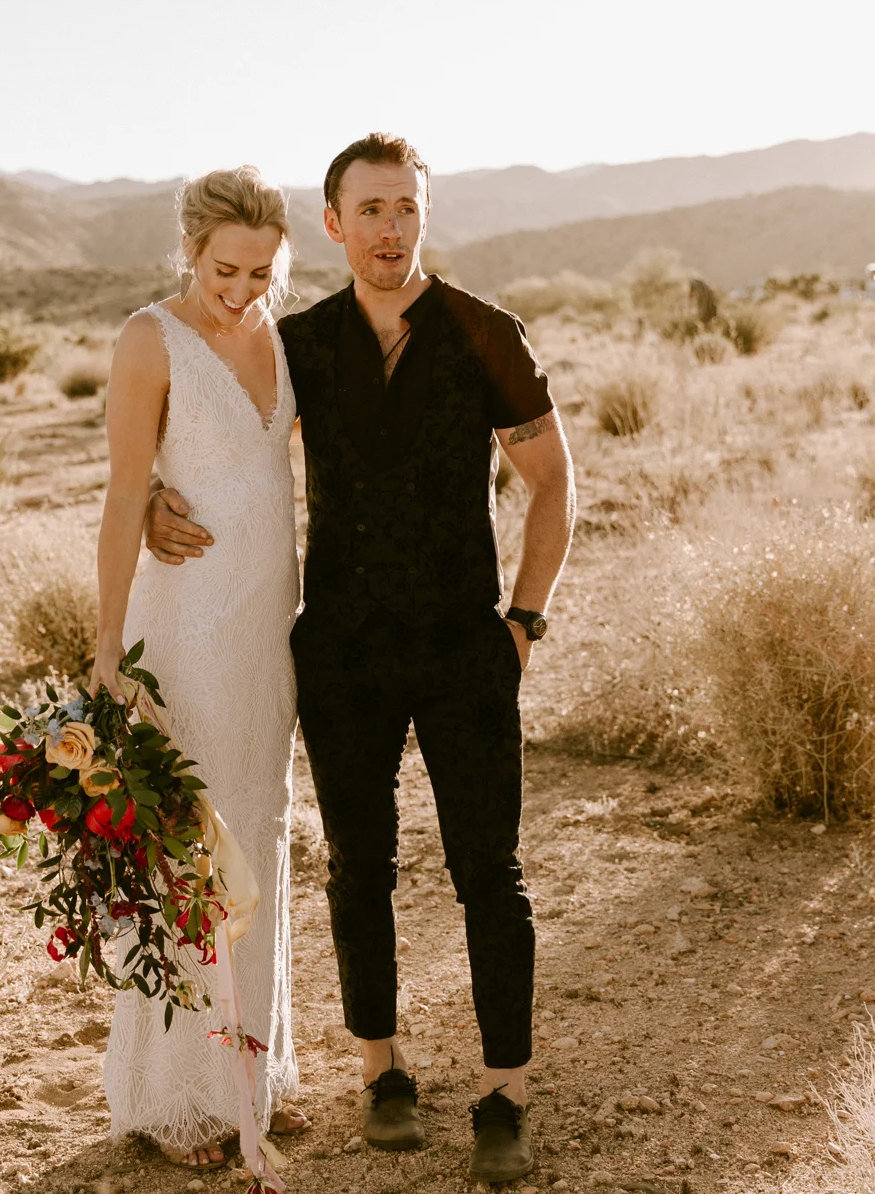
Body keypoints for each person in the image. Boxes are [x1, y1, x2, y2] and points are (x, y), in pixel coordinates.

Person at [147, 133, 576, 1184]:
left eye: (406, 208)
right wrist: (151, 495)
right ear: (334, 224)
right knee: (357, 866)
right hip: (340, 647)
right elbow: (207, 425)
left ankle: (503, 1093)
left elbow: (553, 483)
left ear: (424, 215)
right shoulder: (299, 343)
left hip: (463, 642)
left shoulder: (484, 332)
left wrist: (523, 621)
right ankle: (382, 1073)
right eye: (370, 210)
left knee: (490, 872)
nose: (390, 230)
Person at [92, 165, 309, 1170]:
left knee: (259, 835)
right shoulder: (151, 338)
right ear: (189, 250)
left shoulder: (283, 335)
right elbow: (121, 491)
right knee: (193, 847)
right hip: (186, 627)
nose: (241, 289)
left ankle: (251, 1073)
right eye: (226, 269)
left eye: (261, 272)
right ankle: (179, 1095)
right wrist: (106, 646)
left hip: (268, 631)